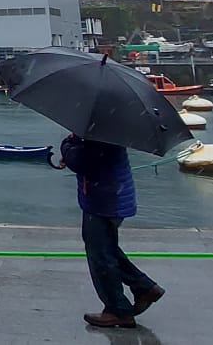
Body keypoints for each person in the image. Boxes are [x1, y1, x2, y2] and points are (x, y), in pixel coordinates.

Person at [58, 134, 166, 328]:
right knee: (106, 248)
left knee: (101, 256)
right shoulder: (107, 128)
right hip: (107, 197)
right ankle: (144, 287)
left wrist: (67, 145)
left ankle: (118, 310)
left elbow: (81, 161)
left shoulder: (99, 134)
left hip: (104, 201)